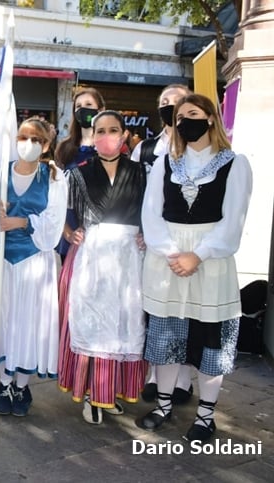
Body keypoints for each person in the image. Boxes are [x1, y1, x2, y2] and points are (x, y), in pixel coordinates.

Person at [140, 93, 252, 442]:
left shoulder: (235, 163)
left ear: (210, 118)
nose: (185, 120)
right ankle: (162, 405)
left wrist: (197, 255)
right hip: (167, 263)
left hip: (210, 264)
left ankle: (206, 415)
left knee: (210, 342)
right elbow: (151, 213)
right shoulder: (165, 163)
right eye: (179, 115)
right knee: (166, 337)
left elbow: (233, 219)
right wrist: (173, 253)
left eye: (193, 113)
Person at [0, 117, 67, 417]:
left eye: (37, 139)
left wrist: (21, 222)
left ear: (47, 145)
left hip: (35, 262)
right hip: (3, 262)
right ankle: (4, 381)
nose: (29, 144)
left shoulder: (54, 177)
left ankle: (22, 384)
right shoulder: (0, 174)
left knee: (30, 322)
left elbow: (54, 222)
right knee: (4, 321)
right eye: (23, 137)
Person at [57, 110, 147, 425]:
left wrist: (146, 235)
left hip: (126, 261)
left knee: (122, 323)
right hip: (90, 258)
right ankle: (94, 393)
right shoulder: (77, 173)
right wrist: (69, 232)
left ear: (124, 135)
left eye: (112, 130)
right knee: (92, 324)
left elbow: (152, 214)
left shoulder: (142, 172)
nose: (106, 136)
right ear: (92, 137)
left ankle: (109, 394)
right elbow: (59, 213)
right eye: (100, 131)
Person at [130, 84, 195, 405]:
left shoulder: (200, 149)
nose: (170, 107)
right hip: (150, 241)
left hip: (186, 242)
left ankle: (183, 378)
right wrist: (138, 229)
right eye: (164, 103)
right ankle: (155, 375)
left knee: (185, 309)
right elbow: (131, 193)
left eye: (178, 102)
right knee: (154, 308)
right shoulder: (144, 149)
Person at [54, 87, 105, 260]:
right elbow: (56, 195)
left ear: (101, 110)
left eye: (89, 104)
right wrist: (66, 231)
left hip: (103, 233)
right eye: (78, 106)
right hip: (72, 230)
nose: (83, 109)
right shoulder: (65, 148)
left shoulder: (112, 147)